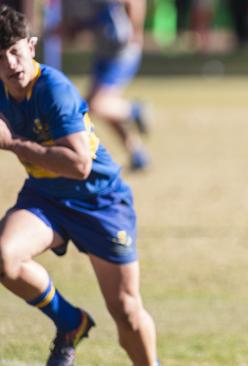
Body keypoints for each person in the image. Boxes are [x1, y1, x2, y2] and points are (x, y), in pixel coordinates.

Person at [0, 5, 158, 365]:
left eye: (14, 50)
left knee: (126, 312)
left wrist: (11, 144)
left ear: (31, 46)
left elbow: (79, 166)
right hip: (45, 197)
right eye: (0, 57)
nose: (10, 64)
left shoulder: (53, 89)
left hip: (99, 200)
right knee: (3, 257)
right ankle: (70, 322)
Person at [58, 0, 150, 171]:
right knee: (99, 105)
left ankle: (134, 110)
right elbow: (73, 32)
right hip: (103, 54)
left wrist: (135, 30)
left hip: (122, 53)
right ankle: (137, 154)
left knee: (96, 105)